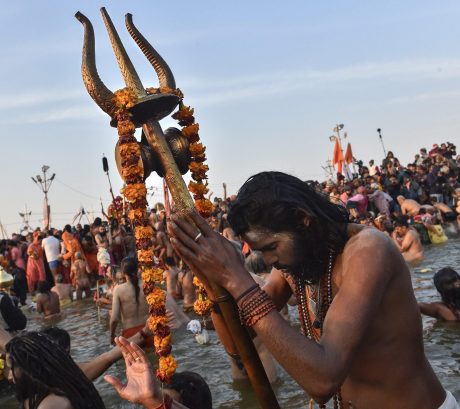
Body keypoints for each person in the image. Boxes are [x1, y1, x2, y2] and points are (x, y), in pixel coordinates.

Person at [168, 171, 454, 409]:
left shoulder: (368, 251)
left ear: (303, 220)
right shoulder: (295, 263)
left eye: (270, 247)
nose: (268, 261)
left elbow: (323, 381)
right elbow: (238, 341)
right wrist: (212, 279)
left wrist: (238, 279)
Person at [5, 331, 106, 409]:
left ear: (29, 369)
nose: (9, 376)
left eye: (11, 368)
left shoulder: (51, 405)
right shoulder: (70, 383)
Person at [110, 257, 152, 345]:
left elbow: (114, 319)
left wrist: (112, 335)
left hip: (130, 336)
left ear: (122, 272)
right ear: (138, 269)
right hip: (150, 331)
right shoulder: (148, 285)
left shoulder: (118, 290)